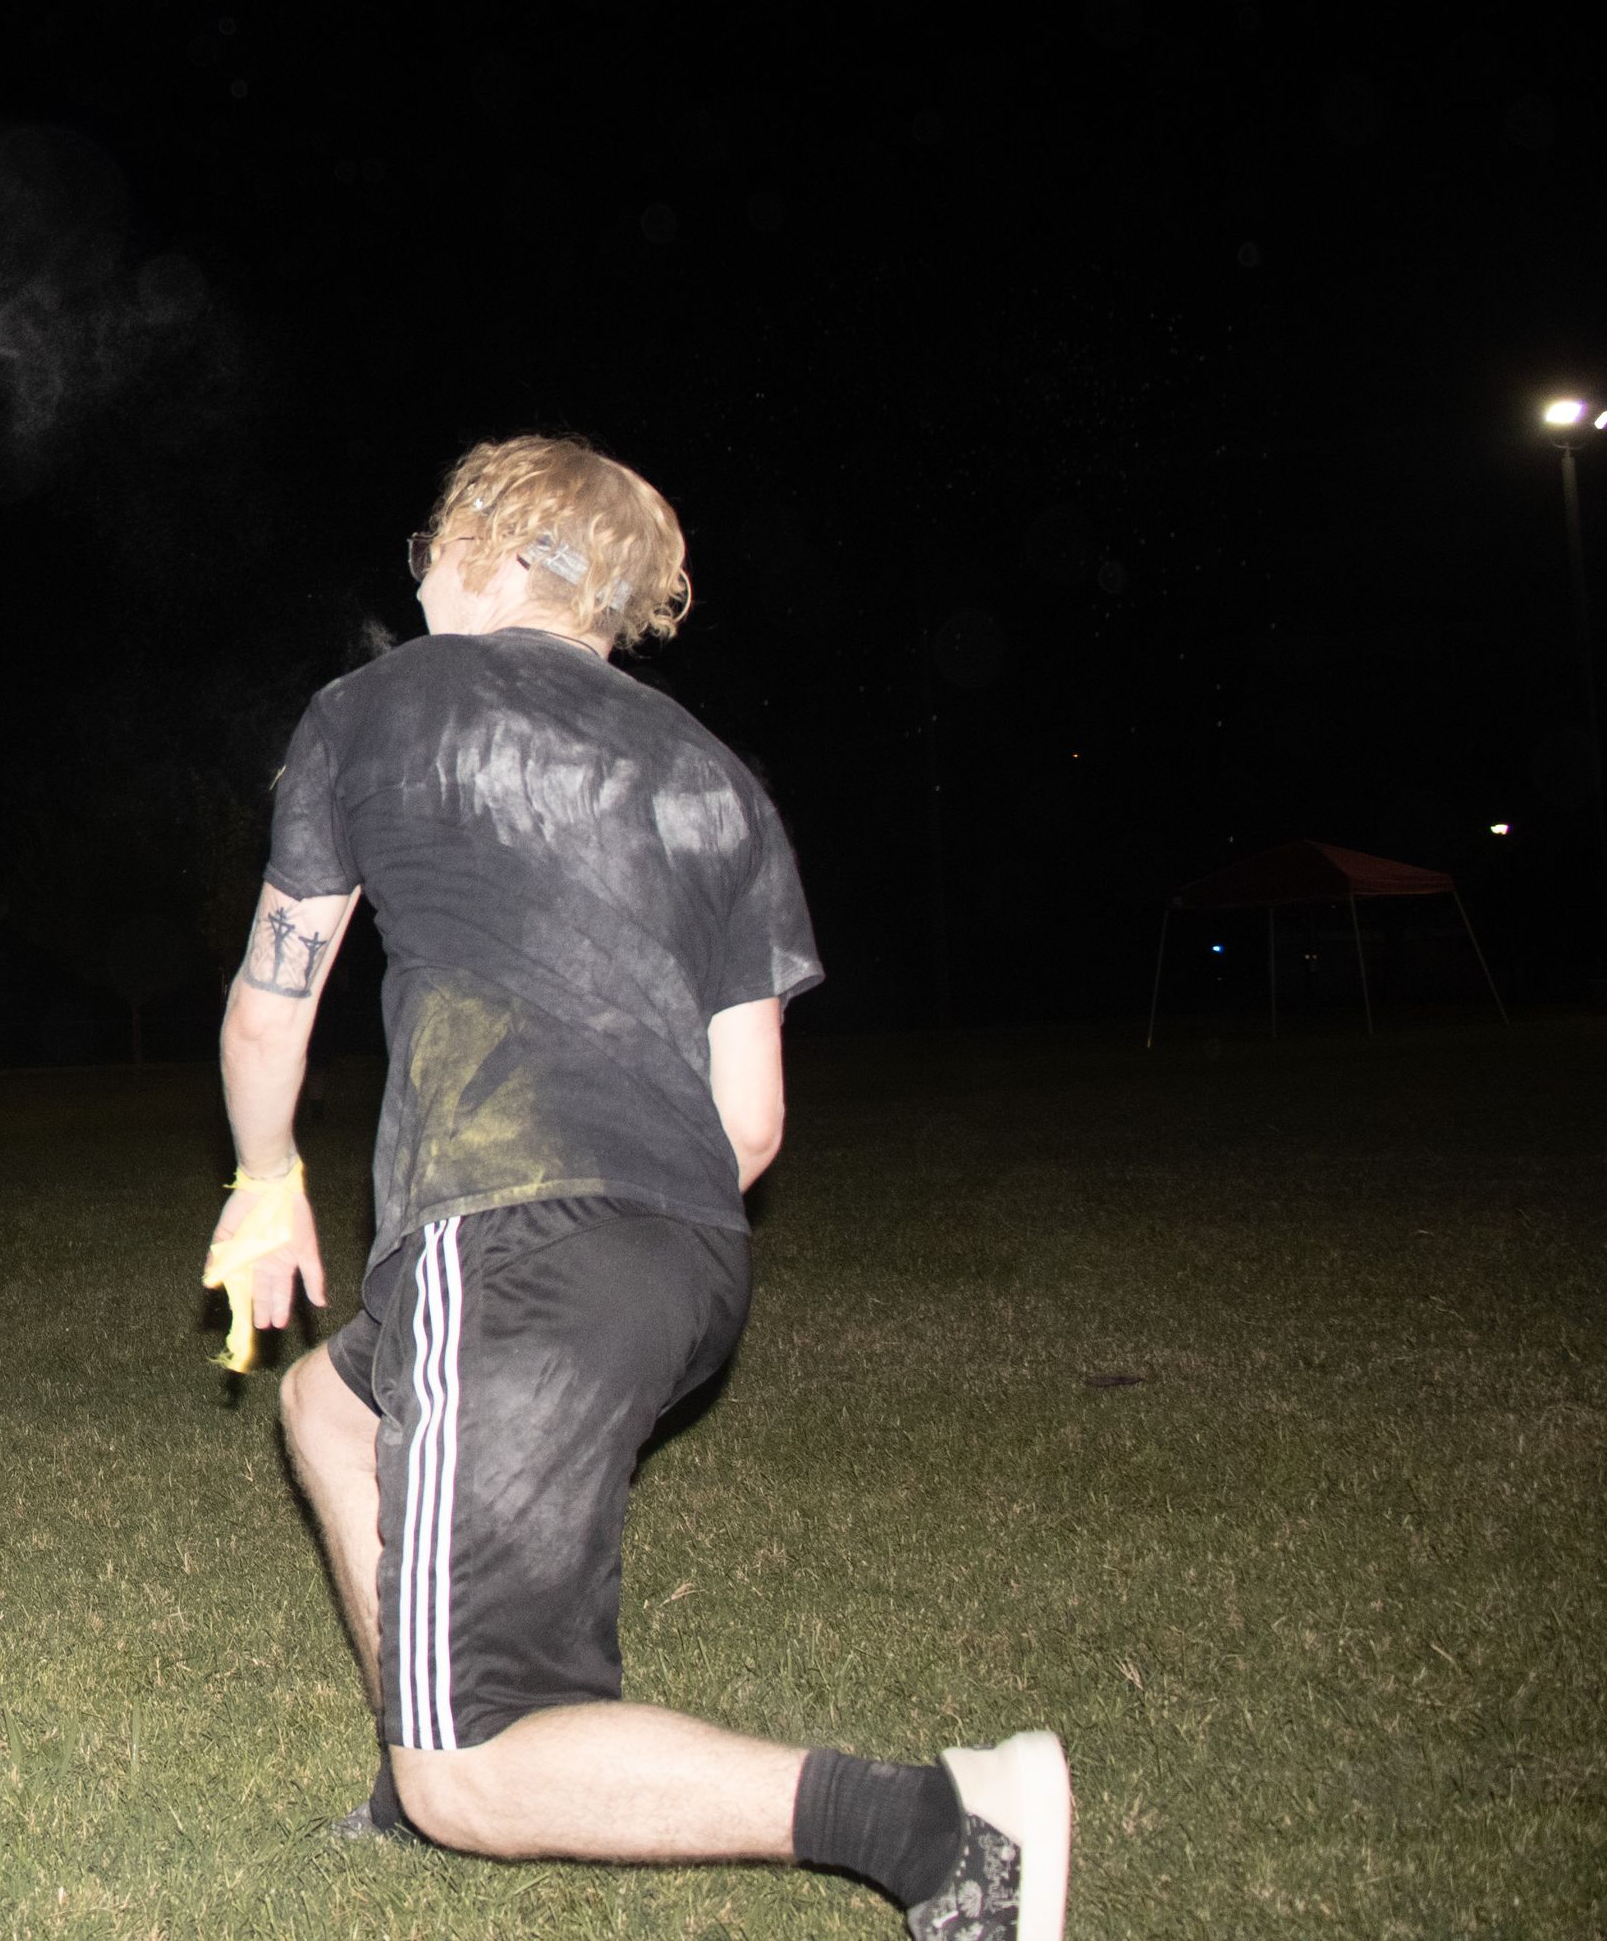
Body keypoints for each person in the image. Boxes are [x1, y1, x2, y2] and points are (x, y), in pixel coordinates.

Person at [202, 436, 1066, 1941]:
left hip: (512, 1231)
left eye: (433, 536)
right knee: (328, 1409)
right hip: (689, 1257)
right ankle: (426, 1775)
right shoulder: (715, 778)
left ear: (486, 544)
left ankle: (932, 1823)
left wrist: (267, 1175)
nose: (415, 568)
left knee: (486, 1766)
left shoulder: (374, 709)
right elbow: (753, 1117)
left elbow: (272, 1004)